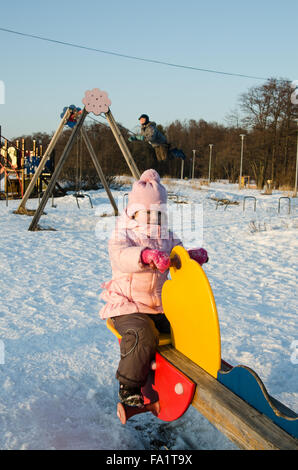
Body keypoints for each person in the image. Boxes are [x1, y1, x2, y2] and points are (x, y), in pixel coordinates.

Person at [99, 169, 208, 408]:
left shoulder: (167, 236)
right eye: (146, 212)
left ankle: (197, 369)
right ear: (134, 211)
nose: (152, 218)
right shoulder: (123, 234)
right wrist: (146, 255)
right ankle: (129, 385)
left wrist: (189, 257)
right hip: (128, 305)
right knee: (142, 333)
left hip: (158, 306)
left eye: (158, 213)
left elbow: (177, 255)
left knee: (187, 324)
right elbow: (120, 257)